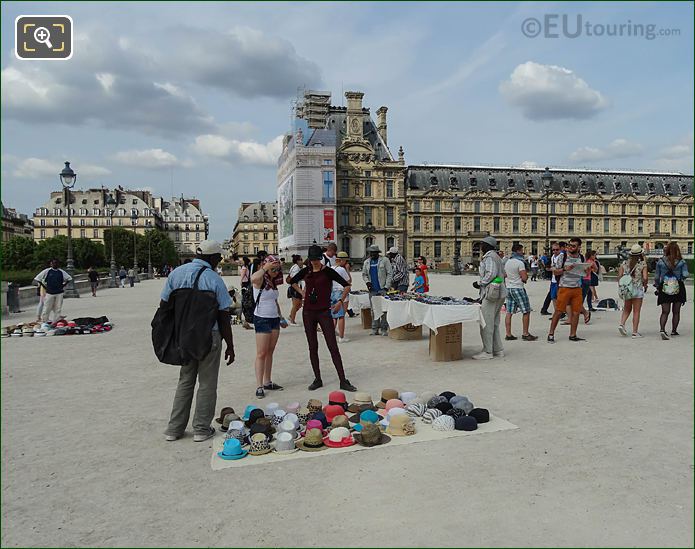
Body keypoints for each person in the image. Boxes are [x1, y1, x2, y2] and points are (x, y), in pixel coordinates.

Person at [162, 240, 235, 443]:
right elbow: (224, 316)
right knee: (207, 383)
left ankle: (174, 429)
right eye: (219, 258)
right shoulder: (214, 279)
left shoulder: (176, 274)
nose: (219, 262)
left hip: (184, 336)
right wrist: (230, 344)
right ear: (212, 258)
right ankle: (202, 429)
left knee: (185, 380)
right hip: (208, 337)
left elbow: (163, 306)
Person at [290, 244, 356, 392]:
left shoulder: (328, 271)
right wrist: (302, 293)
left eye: (316, 259)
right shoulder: (306, 271)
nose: (314, 262)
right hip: (308, 312)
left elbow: (347, 285)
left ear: (320, 258)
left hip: (324, 312)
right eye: (312, 259)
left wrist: (340, 302)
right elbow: (291, 281)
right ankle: (317, 379)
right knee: (312, 347)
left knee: (332, 345)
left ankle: (343, 380)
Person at [250, 255, 287, 399]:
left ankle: (267, 381)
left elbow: (275, 302)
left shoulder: (273, 282)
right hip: (262, 318)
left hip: (274, 319)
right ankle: (259, 385)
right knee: (261, 353)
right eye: (273, 269)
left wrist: (281, 317)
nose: (275, 271)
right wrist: (265, 267)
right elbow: (253, 278)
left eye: (277, 269)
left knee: (270, 352)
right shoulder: (260, 281)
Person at [548, 237, 591, 343]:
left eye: (573, 246)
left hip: (577, 288)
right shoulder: (563, 256)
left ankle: (573, 334)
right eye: (569, 245)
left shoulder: (581, 257)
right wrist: (564, 269)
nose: (570, 247)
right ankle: (551, 333)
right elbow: (554, 271)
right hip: (564, 287)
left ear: (579, 247)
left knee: (576, 312)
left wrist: (587, 271)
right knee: (558, 311)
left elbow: (584, 273)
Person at [472, 236, 506, 359]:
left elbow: (491, 273)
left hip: (491, 293)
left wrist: (480, 283)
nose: (481, 247)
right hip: (499, 292)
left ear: (487, 246)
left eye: (482, 244)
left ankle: (487, 352)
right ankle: (498, 349)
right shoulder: (497, 257)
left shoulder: (490, 257)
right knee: (495, 322)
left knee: (486, 322)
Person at [655, 241, 689, 340]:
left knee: (665, 311)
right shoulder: (681, 262)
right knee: (676, 312)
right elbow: (686, 274)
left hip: (664, 286)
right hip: (678, 286)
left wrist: (657, 286)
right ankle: (674, 330)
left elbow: (657, 277)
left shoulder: (661, 261)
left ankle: (662, 329)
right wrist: (680, 278)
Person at [504, 244, 537, 341]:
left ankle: (508, 334)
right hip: (518, 288)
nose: (523, 252)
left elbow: (505, 274)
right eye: (522, 250)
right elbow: (524, 277)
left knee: (509, 312)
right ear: (518, 251)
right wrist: (525, 278)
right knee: (526, 311)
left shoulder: (507, 262)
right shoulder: (520, 263)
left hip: (509, 288)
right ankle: (525, 334)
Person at [617, 244, 648, 339]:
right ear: (640, 254)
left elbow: (619, 276)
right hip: (637, 289)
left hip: (627, 288)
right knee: (636, 311)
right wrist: (645, 284)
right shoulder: (642, 264)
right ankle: (635, 332)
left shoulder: (624, 263)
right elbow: (645, 277)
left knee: (627, 308)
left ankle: (622, 324)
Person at [362, 245, 393, 336]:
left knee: (383, 310)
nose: (372, 254)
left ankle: (384, 329)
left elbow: (389, 273)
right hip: (373, 289)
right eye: (371, 253)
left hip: (382, 288)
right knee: (374, 309)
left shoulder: (384, 260)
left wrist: (387, 286)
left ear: (377, 253)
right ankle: (374, 328)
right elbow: (364, 274)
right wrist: (367, 283)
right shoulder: (367, 262)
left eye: (374, 253)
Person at [539, 242, 565, 316]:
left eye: (557, 249)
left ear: (560, 249)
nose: (555, 251)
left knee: (557, 298)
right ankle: (558, 313)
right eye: (553, 250)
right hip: (554, 279)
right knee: (553, 297)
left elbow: (560, 268)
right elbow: (551, 267)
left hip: (559, 280)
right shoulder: (553, 256)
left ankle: (559, 313)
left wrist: (553, 269)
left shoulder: (562, 256)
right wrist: (551, 269)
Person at [331, 251, 351, 343]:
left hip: (332, 292)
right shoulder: (342, 270)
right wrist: (347, 269)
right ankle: (341, 337)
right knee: (341, 316)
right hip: (341, 292)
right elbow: (349, 281)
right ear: (342, 261)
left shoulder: (330, 268)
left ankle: (330, 334)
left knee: (334, 315)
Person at [286, 254, 304, 326]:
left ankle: (291, 316)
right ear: (297, 261)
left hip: (296, 287)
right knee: (296, 305)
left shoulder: (296, 267)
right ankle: (292, 320)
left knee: (299, 304)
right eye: (301, 260)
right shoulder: (296, 268)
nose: (302, 261)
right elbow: (294, 279)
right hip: (295, 288)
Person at [239, 256, 253, 330]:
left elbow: (242, 276)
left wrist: (240, 282)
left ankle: (246, 320)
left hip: (244, 283)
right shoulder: (247, 267)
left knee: (245, 300)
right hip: (247, 283)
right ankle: (246, 321)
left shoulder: (244, 268)